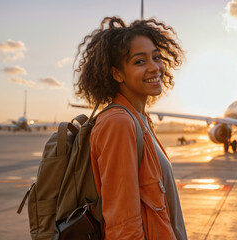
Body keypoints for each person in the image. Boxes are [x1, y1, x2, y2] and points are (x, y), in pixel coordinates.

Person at [74, 16, 187, 240]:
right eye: (139, 61)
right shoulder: (119, 123)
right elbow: (122, 223)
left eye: (156, 57)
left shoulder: (139, 120)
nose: (155, 67)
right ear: (117, 74)